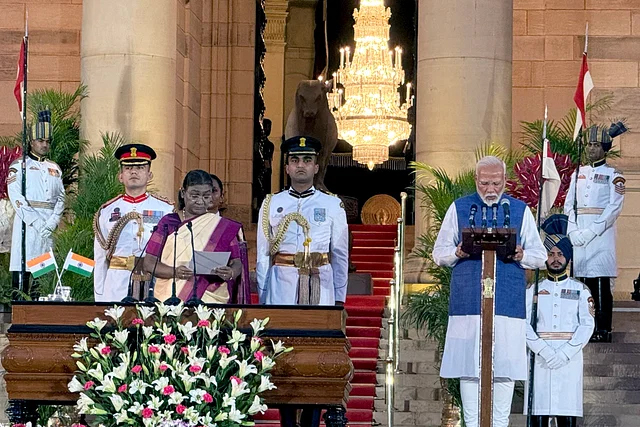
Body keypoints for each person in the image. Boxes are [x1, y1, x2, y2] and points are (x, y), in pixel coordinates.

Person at [432, 156, 547, 427]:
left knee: (505, 368)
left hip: (506, 305)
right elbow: (439, 253)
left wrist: (521, 253)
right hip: (468, 305)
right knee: (468, 367)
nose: (490, 189)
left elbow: (540, 256)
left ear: (505, 181)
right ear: (476, 180)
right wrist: (457, 251)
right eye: (484, 183)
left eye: (496, 183)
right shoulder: (459, 208)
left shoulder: (520, 210)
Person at [256, 136, 349, 427]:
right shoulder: (272, 204)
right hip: (282, 287)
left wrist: (339, 300)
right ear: (286, 167)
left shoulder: (332, 205)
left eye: (307, 161)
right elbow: (262, 253)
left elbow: (340, 254)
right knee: (284, 358)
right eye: (295, 160)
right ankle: (286, 419)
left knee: (317, 356)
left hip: (319, 287)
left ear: (316, 167)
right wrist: (263, 297)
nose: (301, 166)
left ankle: (311, 420)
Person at [525, 214, 594, 427]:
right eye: (551, 254)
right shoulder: (534, 289)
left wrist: (565, 353)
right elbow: (524, 324)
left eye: (560, 254)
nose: (555, 258)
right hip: (540, 359)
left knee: (567, 415)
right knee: (538, 415)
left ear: (568, 258)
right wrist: (543, 350)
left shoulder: (580, 290)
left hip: (569, 360)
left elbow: (587, 324)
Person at [144, 170, 250, 304]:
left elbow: (237, 262)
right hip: (171, 296)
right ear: (183, 193)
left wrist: (230, 272)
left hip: (211, 297)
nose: (200, 201)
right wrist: (175, 272)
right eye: (195, 196)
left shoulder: (221, 226)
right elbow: (149, 263)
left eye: (206, 196)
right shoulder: (169, 223)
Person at [564, 123, 627, 343]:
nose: (591, 149)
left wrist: (592, 231)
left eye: (596, 145)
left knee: (599, 281)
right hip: (578, 234)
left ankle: (602, 327)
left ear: (605, 148)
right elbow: (568, 205)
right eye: (589, 145)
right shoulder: (577, 174)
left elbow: (614, 208)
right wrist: (572, 230)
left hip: (601, 237)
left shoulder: (614, 175)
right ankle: (584, 326)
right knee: (581, 281)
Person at [93, 144, 173, 302]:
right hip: (117, 282)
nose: (134, 171)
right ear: (120, 175)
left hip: (154, 281)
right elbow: (100, 256)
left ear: (149, 175)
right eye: (128, 168)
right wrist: (100, 294)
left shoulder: (166, 210)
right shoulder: (107, 211)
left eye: (140, 167)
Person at [8, 110, 65, 297]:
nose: (44, 145)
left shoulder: (54, 168)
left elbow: (61, 197)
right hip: (27, 223)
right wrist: (37, 222)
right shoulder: (19, 166)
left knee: (44, 268)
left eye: (47, 142)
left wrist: (53, 221)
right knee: (23, 265)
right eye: (41, 141)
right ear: (32, 142)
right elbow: (16, 197)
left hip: (49, 223)